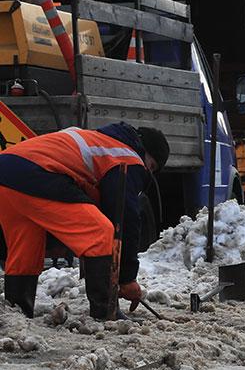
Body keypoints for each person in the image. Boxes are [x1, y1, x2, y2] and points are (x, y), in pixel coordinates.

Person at [0, 123, 169, 319]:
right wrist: (127, 278)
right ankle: (105, 312)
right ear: (146, 152)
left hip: (7, 172)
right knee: (101, 233)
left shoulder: (100, 141)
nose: (147, 171)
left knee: (25, 250)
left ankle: (16, 313)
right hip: (36, 173)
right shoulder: (128, 157)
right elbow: (124, 215)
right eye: (152, 166)